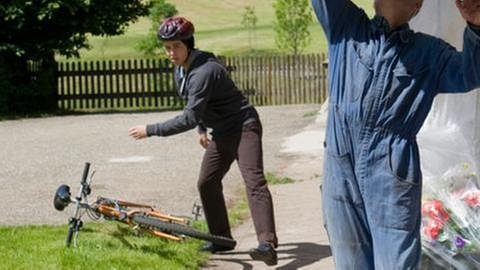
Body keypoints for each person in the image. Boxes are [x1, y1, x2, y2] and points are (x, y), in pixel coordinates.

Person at [311, 0, 480, 269]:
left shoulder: (428, 53)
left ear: (416, 4)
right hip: (340, 168)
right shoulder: (347, 26)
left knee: (396, 265)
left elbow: (470, 73)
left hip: (391, 176)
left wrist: (475, 23)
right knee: (350, 263)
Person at [128, 16, 278, 266]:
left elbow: (188, 116)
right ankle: (221, 238)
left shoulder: (205, 70)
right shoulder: (181, 69)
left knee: (254, 181)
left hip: (244, 127)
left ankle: (267, 244)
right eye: (167, 48)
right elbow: (194, 104)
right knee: (207, 182)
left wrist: (150, 129)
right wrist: (201, 129)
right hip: (222, 131)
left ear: (188, 43)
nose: (171, 53)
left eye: (176, 46)